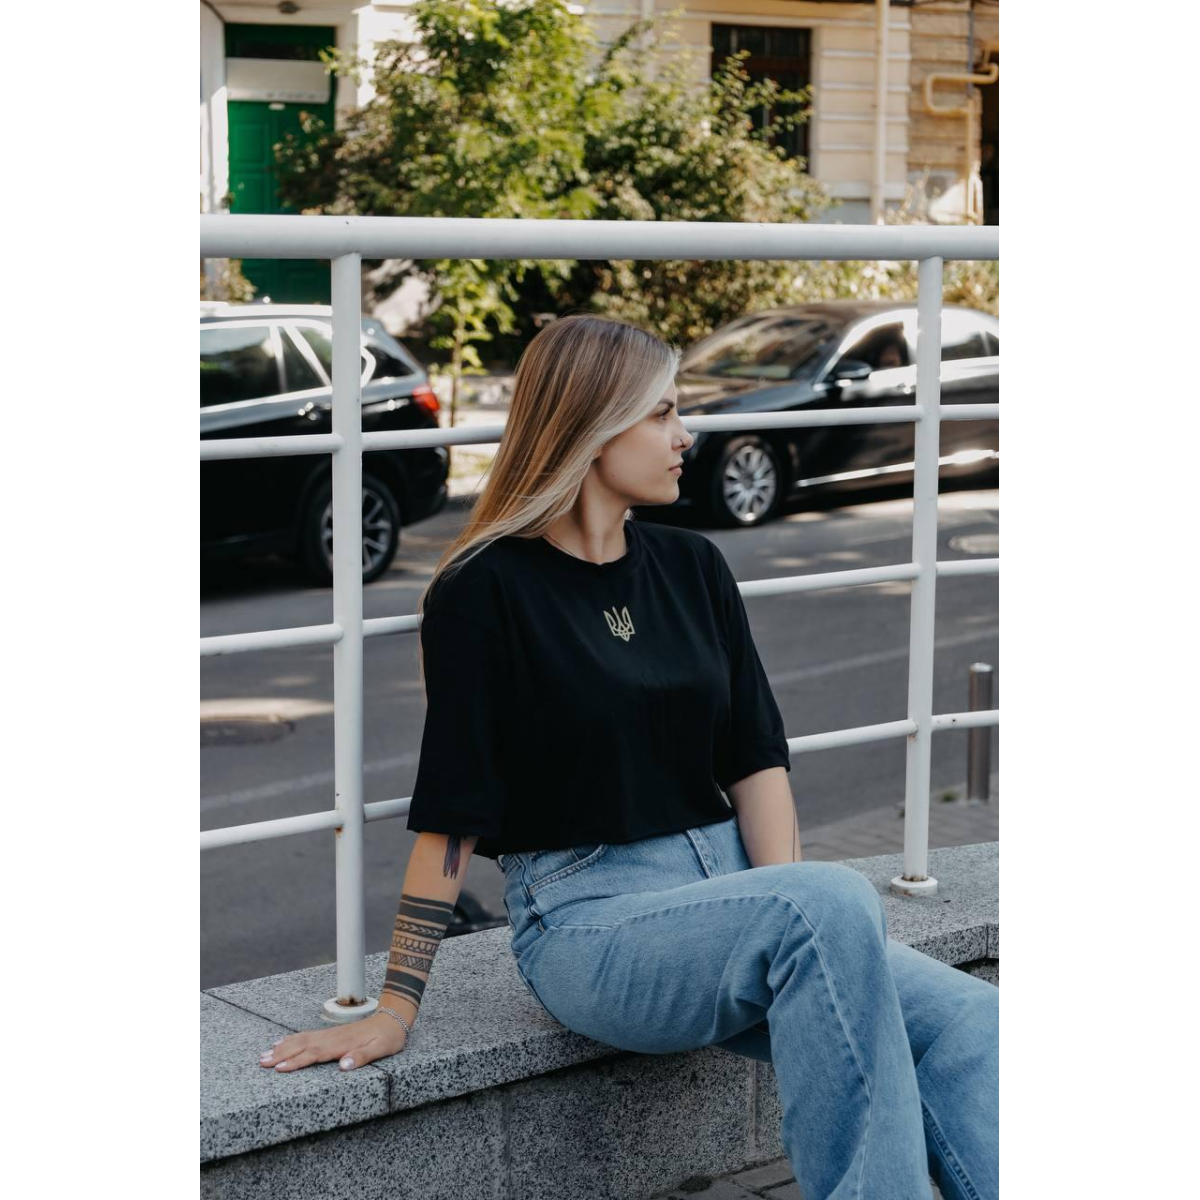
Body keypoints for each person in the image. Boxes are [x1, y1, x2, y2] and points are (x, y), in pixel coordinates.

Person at [256, 313, 998, 1200]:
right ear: (593, 427)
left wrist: (779, 909)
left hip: (732, 898)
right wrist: (396, 1004)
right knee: (829, 902)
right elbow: (453, 812)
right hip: (588, 922)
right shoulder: (484, 591)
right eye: (663, 413)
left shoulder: (693, 566)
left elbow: (755, 760)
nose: (687, 437)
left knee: (974, 1022)